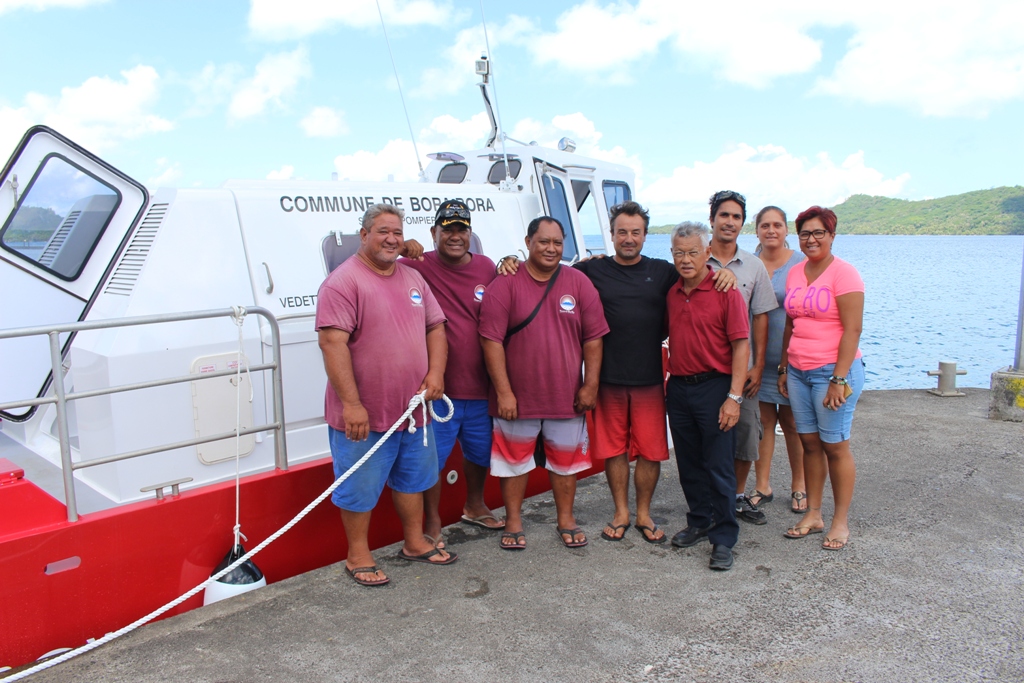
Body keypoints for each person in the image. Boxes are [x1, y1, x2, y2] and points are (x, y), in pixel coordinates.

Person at [496, 206, 735, 544]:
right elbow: (546, 266)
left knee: (651, 451)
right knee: (614, 450)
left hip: (651, 379)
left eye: (636, 232)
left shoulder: (663, 271)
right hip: (607, 380)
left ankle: (644, 514)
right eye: (622, 232)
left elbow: (695, 270)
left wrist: (723, 272)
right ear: (611, 235)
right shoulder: (591, 270)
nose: (629, 239)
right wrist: (507, 260)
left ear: (645, 236)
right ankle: (621, 512)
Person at [316, 203, 456, 587]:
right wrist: (352, 405)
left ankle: (414, 541)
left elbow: (435, 327)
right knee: (358, 488)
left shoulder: (413, 278)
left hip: (413, 410)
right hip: (365, 413)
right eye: (383, 231)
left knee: (413, 480)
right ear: (364, 236)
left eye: (397, 232)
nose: (392, 239)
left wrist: (436, 373)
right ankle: (357, 555)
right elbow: (331, 343)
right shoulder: (343, 282)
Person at [479, 216, 609, 550]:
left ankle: (566, 519)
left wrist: (590, 385)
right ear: (528, 242)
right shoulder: (505, 284)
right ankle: (513, 521)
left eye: (557, 242)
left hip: (566, 397)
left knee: (566, 464)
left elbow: (594, 338)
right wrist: (504, 392)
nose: (551, 248)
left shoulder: (579, 282)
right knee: (513, 463)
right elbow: (490, 341)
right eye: (544, 241)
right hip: (516, 399)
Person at [402, 200, 505, 542]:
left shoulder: (486, 266)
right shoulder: (417, 265)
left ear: (470, 233)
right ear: (434, 232)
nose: (455, 236)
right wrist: (402, 245)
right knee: (431, 461)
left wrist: (511, 261)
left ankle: (474, 505)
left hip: (481, 387)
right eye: (448, 230)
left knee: (479, 453)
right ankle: (432, 523)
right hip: (439, 391)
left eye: (462, 229)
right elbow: (377, 258)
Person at [778, 206, 865, 551]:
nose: (811, 239)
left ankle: (839, 521)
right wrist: (784, 367)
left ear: (831, 235)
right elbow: (790, 323)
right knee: (810, 443)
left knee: (835, 445)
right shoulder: (795, 272)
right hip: (798, 370)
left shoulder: (845, 274)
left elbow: (852, 329)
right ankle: (813, 514)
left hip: (833, 371)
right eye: (804, 233)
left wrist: (838, 379)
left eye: (818, 233)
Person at [665, 221, 750, 571]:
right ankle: (700, 520)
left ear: (708, 253)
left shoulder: (726, 290)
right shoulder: (671, 291)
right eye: (679, 253)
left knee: (718, 465)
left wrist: (734, 397)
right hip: (679, 386)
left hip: (715, 386)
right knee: (688, 463)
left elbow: (741, 345)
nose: (686, 259)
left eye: (693, 252)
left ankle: (724, 537)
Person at [705, 191, 778, 525]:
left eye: (736, 217)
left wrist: (759, 365)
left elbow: (760, 317)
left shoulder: (754, 265)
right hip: (705, 368)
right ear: (712, 219)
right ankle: (708, 500)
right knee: (706, 436)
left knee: (746, 435)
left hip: (743, 368)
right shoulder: (694, 259)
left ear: (742, 223)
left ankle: (735, 497)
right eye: (724, 215)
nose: (730, 222)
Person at [752, 206, 808, 513]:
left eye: (777, 225)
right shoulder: (749, 263)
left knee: (792, 424)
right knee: (763, 423)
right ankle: (762, 485)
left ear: (786, 230)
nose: (771, 230)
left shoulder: (801, 264)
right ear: (756, 230)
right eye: (765, 225)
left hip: (792, 360)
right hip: (758, 360)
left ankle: (799, 485)